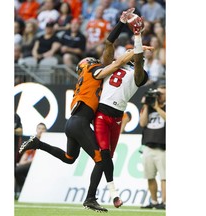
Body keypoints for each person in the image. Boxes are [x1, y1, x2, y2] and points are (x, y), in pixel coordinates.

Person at [19, 8, 138, 212]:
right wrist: (134, 53)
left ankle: (37, 143)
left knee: (69, 157)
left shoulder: (83, 79)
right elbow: (117, 63)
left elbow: (108, 51)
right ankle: (90, 198)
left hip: (71, 123)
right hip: (80, 122)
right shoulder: (94, 72)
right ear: (89, 65)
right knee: (101, 158)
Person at [85, 13, 151, 208]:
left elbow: (138, 61)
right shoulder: (113, 65)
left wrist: (137, 36)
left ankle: (92, 196)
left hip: (116, 118)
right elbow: (108, 44)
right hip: (102, 114)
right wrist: (121, 23)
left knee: (105, 159)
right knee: (104, 155)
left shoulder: (140, 75)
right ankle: (114, 193)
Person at [139, 85, 166, 210]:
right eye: (158, 94)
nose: (159, 96)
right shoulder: (148, 108)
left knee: (165, 177)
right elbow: (142, 123)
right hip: (148, 146)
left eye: (162, 94)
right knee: (150, 176)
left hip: (164, 148)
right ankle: (154, 202)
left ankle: (165, 203)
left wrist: (157, 107)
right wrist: (146, 105)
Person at [15, 122, 47, 200]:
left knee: (18, 169)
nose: (41, 131)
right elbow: (25, 156)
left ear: (46, 131)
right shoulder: (32, 142)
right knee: (17, 170)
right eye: (39, 128)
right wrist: (22, 163)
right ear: (36, 130)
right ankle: (23, 191)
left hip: (42, 164)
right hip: (31, 164)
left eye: (43, 129)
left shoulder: (47, 142)